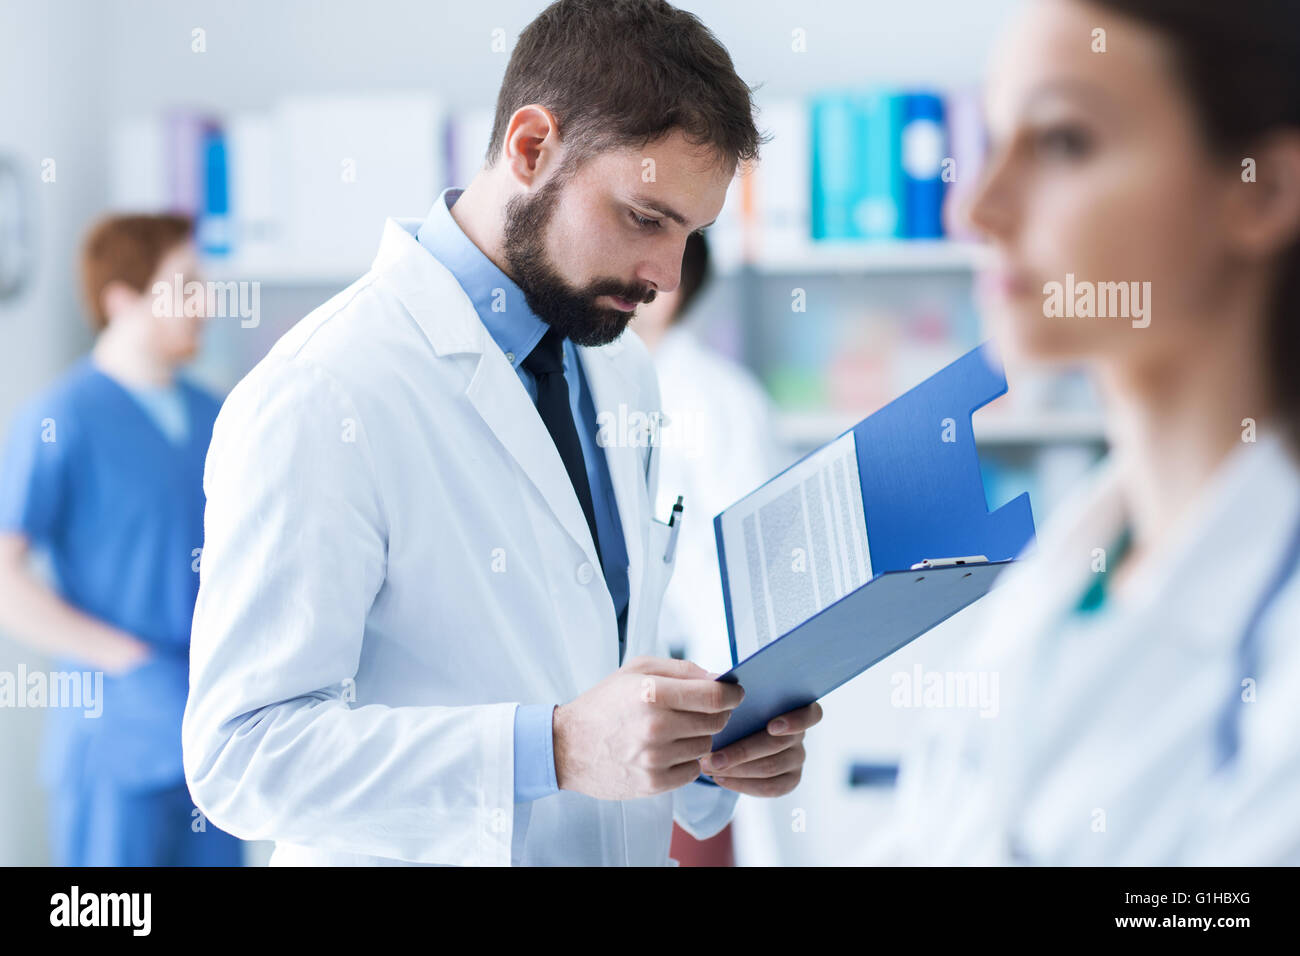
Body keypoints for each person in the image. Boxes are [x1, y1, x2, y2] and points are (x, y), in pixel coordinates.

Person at [183, 0, 820, 867]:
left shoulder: (620, 370)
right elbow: (242, 757)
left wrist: (702, 751)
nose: (668, 278)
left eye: (691, 234)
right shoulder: (323, 391)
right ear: (530, 147)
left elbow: (590, 671)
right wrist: (549, 750)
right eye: (646, 217)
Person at [867, 0, 1300, 864]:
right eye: (994, 142)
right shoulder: (1066, 574)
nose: (974, 210)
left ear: (1262, 193)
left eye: (1063, 141)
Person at [0, 214, 242, 866]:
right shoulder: (62, 420)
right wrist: (123, 658)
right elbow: (4, 576)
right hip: (117, 735)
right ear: (122, 300)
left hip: (213, 732)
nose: (206, 304)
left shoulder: (216, 415)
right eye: (185, 285)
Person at [634, 231, 781, 865]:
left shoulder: (718, 401)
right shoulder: (605, 385)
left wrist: (722, 710)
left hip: (703, 686)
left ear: (670, 287)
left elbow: (751, 566)